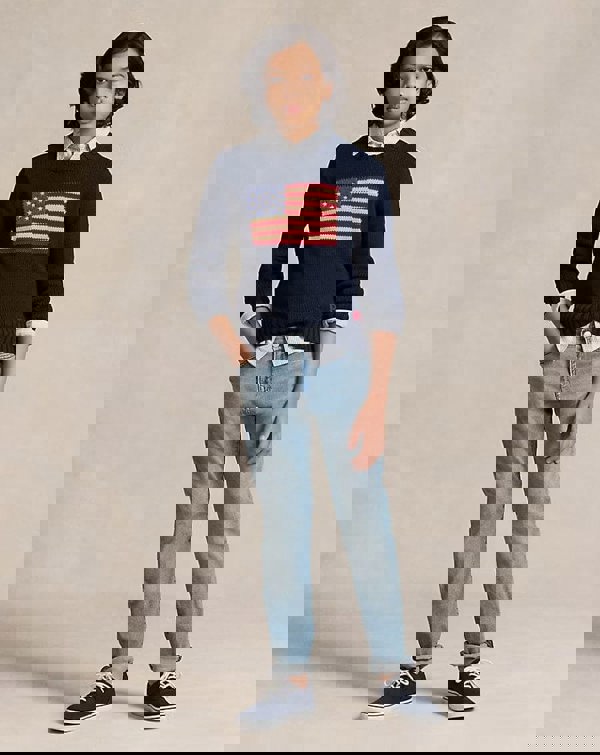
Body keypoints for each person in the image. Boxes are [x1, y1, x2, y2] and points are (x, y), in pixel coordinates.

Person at [63, 16, 453, 728]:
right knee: (196, 503)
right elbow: (292, 241)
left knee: (238, 506)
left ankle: (166, 670)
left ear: (425, 95)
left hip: (304, 350)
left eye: (419, 80)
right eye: (402, 74)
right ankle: (118, 668)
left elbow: (361, 268)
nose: (403, 88)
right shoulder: (336, 158)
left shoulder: (386, 173)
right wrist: (256, 311)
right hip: (266, 338)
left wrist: (322, 339)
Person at [363, 200, 600, 717]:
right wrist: (561, 318)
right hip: (562, 358)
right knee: (486, 526)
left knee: (518, 534)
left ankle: (469, 663)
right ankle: (418, 664)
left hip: (584, 381)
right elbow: (577, 258)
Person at [0, 31, 150, 391]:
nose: (103, 90)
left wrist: (34, 323)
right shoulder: (41, 164)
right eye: (102, 78)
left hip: (30, 304)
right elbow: (10, 228)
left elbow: (69, 252)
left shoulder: (103, 171)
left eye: (116, 83)